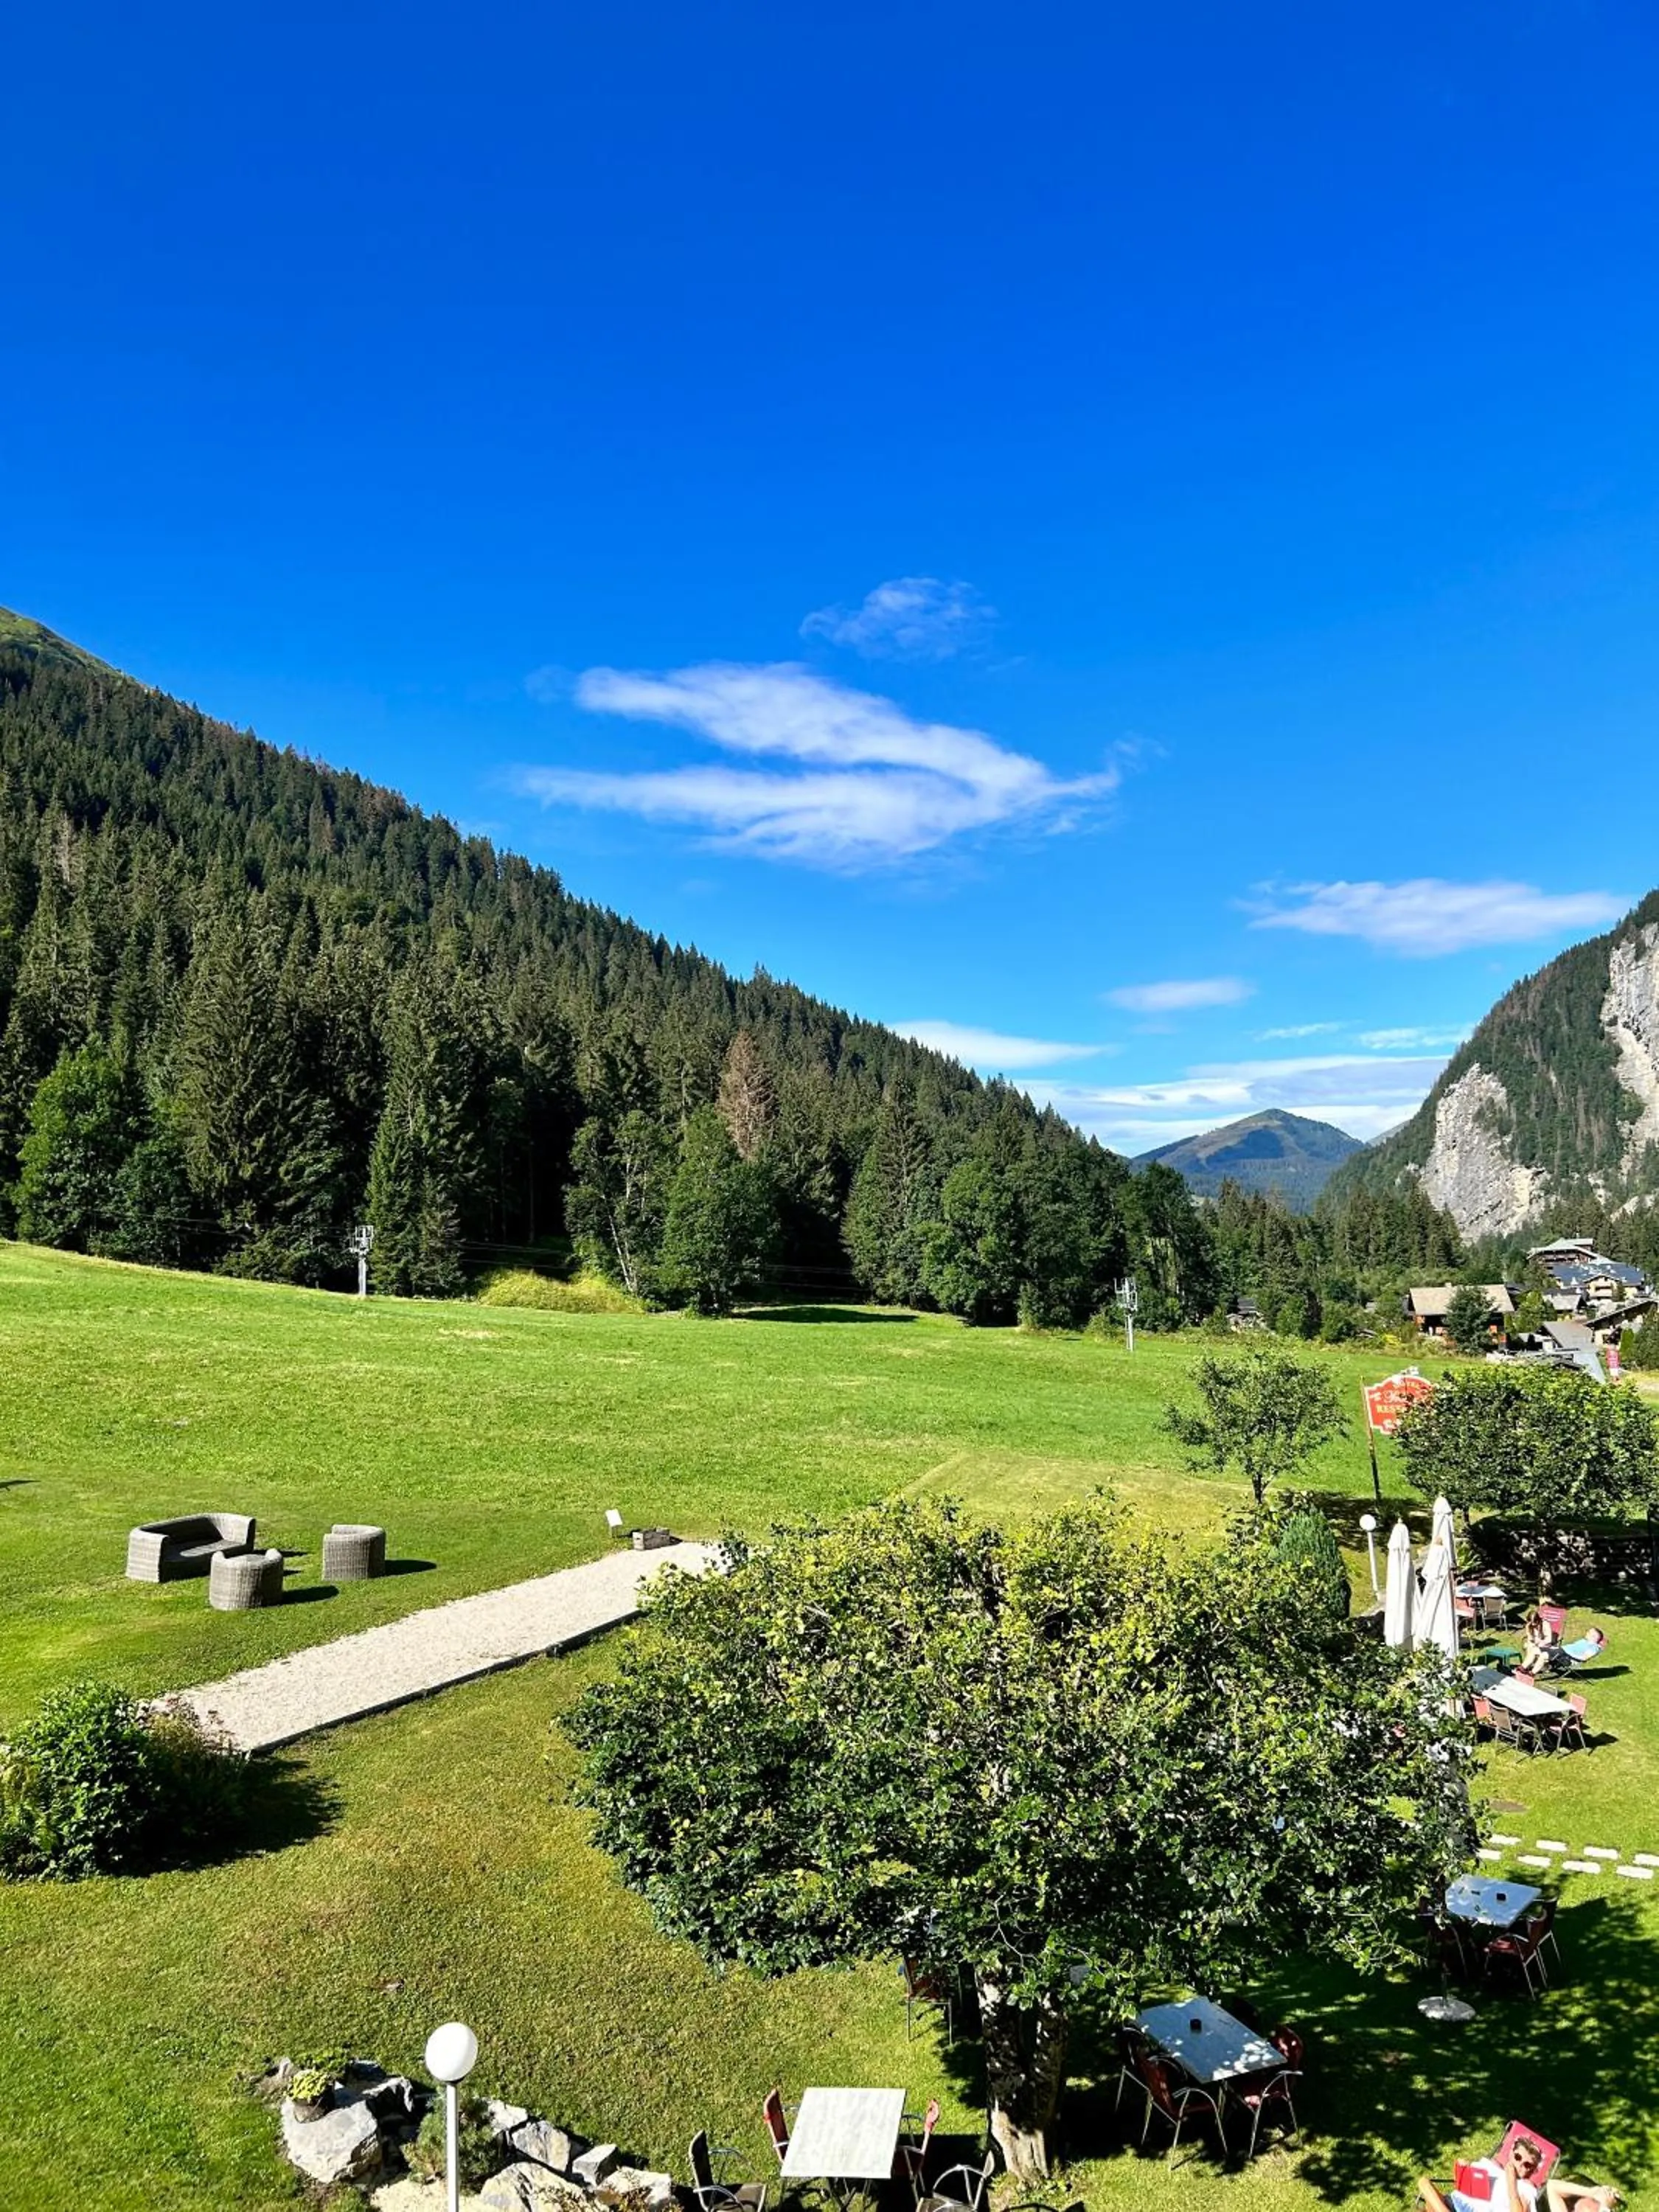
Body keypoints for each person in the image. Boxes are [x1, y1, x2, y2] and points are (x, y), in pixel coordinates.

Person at [1420, 2134, 1547, 2212]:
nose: (1520, 2165)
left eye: (1527, 2165)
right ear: (1511, 2153)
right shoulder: (1491, 2164)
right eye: (1518, 2157)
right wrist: (1464, 2168)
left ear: (1533, 2170)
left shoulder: (1527, 2189)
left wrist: (1511, 2183)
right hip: (1452, 2202)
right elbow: (1463, 2184)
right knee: (1424, 2182)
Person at [1520, 1608, 1559, 1675]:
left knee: (1532, 1647)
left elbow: (1549, 1639)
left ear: (1538, 1620)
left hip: (1545, 1645)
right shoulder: (1530, 1626)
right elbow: (1531, 1639)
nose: (1533, 1625)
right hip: (1535, 1643)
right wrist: (1528, 1630)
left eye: (1535, 1622)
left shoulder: (1545, 1624)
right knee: (1529, 1645)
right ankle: (1526, 1667)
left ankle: (1526, 1667)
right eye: (1531, 1623)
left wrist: (1540, 1643)